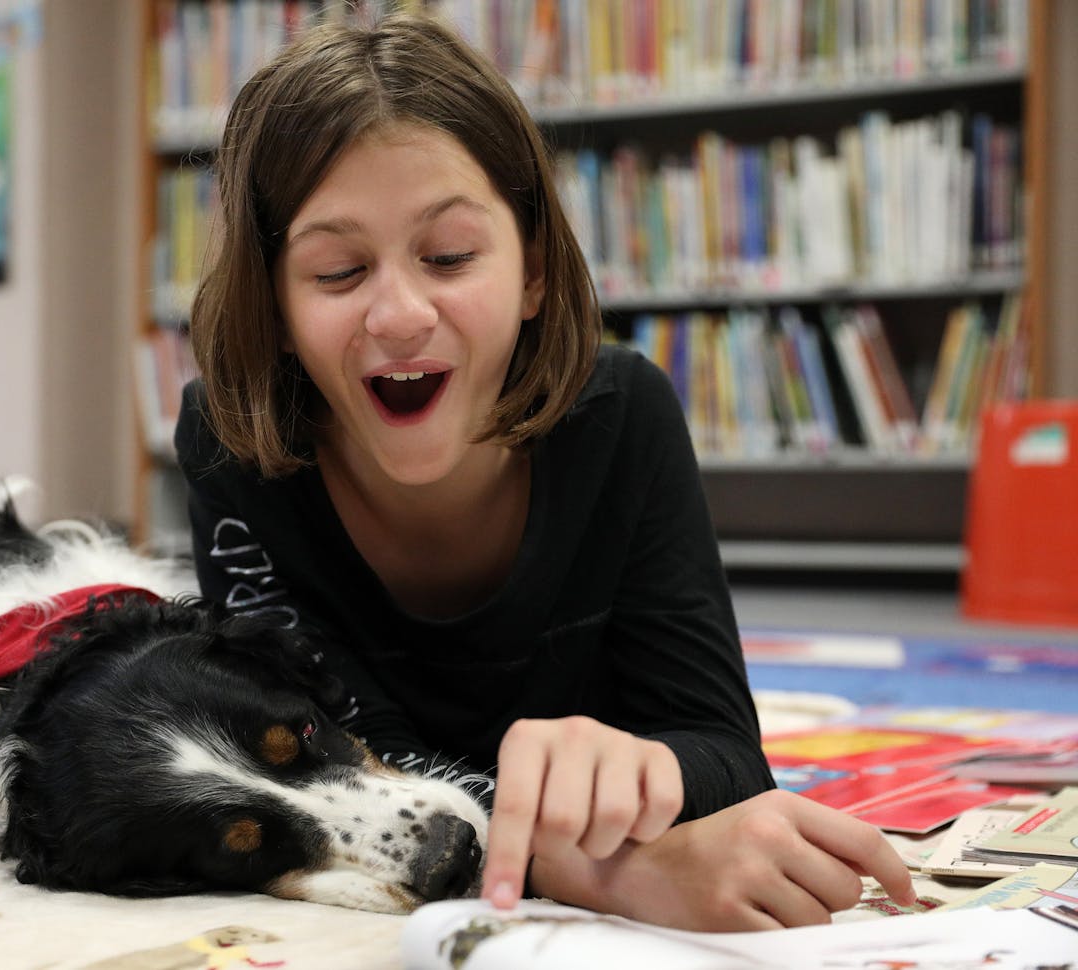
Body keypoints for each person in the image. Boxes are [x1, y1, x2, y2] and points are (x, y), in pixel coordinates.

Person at [173, 12, 915, 932]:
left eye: (448, 257)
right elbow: (341, 780)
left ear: (530, 270)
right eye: (336, 271)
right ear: (275, 304)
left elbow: (726, 753)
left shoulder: (624, 414)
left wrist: (659, 771)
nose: (400, 313)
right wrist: (599, 872)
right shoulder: (228, 445)